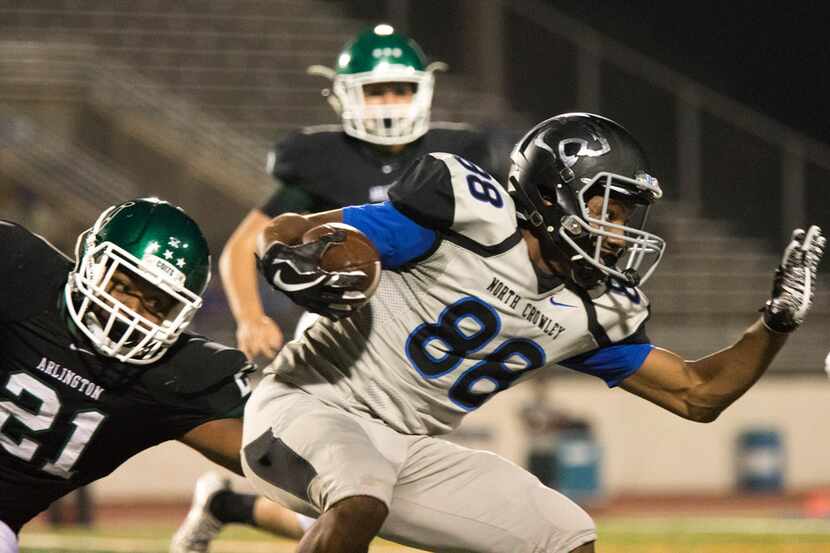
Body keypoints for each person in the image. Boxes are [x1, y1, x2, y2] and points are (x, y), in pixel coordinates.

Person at [237, 112, 824, 553]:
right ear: (551, 191)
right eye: (608, 210)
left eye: (625, 218)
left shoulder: (593, 307)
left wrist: (774, 324)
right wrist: (285, 255)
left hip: (407, 448)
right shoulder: (467, 215)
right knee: (359, 494)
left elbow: (699, 394)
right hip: (306, 406)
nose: (617, 234)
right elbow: (292, 230)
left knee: (564, 534)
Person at [0, 197, 303, 553]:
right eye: (125, 285)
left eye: (156, 303)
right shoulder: (18, 269)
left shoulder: (172, 375)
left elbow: (277, 462)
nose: (129, 310)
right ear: (91, 261)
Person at [220, 23, 494, 362]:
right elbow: (244, 245)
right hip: (344, 325)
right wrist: (250, 318)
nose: (390, 103)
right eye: (376, 91)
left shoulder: (454, 157)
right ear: (345, 95)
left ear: (423, 91)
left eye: (401, 89)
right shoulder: (321, 160)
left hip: (436, 324)